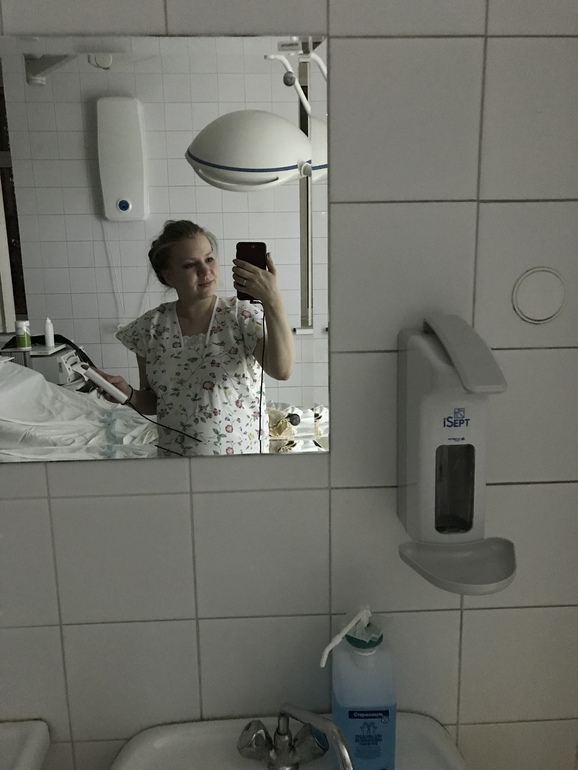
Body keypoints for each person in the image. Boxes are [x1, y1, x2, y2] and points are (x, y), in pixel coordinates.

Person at [96, 219, 295, 456]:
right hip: (177, 462)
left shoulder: (241, 316)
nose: (205, 270)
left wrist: (273, 300)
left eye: (209, 259)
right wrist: (127, 394)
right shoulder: (149, 328)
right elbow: (155, 402)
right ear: (168, 276)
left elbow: (282, 370)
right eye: (190, 265)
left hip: (242, 461)